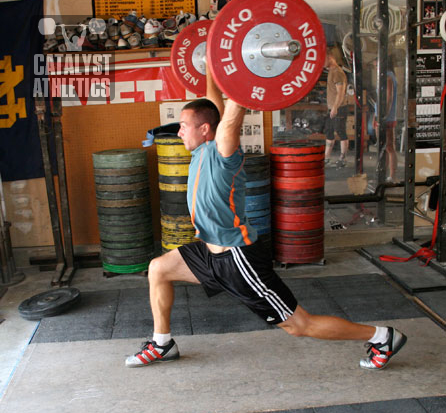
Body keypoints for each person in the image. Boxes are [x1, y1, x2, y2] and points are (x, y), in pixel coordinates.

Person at [125, 67, 407, 371]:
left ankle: (382, 336)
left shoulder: (222, 152)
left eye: (183, 125)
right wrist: (211, 62)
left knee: (299, 325)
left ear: (206, 129)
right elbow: (213, 101)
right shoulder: (203, 147)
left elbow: (231, 114)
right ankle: (162, 342)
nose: (178, 131)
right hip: (209, 252)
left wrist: (242, 68)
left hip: (237, 260)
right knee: (158, 268)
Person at [372, 58, 398, 182]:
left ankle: (391, 176)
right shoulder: (388, 76)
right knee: (385, 147)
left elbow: (388, 98)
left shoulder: (387, 78)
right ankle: (385, 175)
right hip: (383, 116)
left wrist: (384, 116)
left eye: (376, 66)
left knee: (388, 147)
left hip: (386, 118)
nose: (376, 68)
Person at [324, 48, 349, 168]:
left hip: (339, 108)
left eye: (323, 59)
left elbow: (341, 93)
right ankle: (326, 157)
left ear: (330, 57)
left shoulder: (338, 72)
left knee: (340, 132)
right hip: (331, 108)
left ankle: (342, 158)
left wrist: (335, 108)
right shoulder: (331, 71)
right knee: (329, 131)